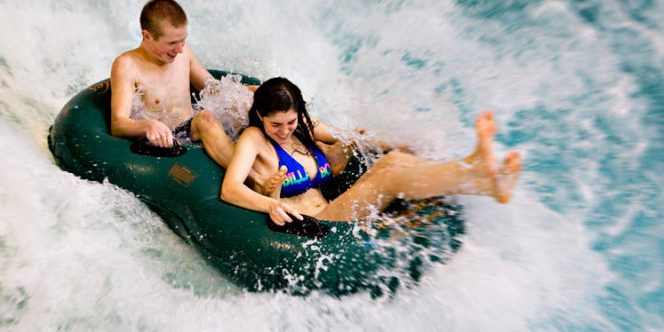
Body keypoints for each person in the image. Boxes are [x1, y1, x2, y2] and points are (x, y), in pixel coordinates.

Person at [220, 77, 522, 225]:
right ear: (260, 115)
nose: (285, 131)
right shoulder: (253, 138)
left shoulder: (303, 127)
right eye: (276, 124)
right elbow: (230, 191)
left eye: (291, 121)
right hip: (317, 223)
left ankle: (476, 169)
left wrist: (392, 141)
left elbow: (347, 136)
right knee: (387, 179)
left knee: (393, 159)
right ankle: (483, 180)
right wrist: (272, 206)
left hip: (330, 208)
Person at [109, 0, 256, 171]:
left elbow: (214, 90)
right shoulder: (127, 65)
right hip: (173, 142)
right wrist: (147, 125)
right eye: (171, 43)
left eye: (183, 40)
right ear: (146, 36)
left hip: (195, 128)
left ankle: (289, 162)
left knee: (250, 99)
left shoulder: (183, 52)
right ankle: (255, 180)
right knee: (205, 119)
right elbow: (118, 124)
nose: (179, 49)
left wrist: (249, 92)